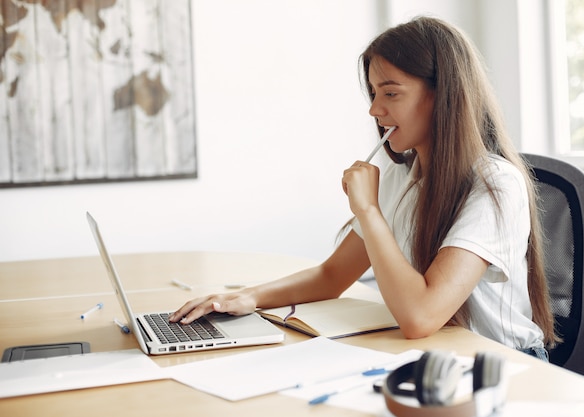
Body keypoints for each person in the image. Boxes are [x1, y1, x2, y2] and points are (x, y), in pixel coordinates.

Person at [170, 16, 558, 359]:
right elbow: (333, 275)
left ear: (443, 95)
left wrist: (368, 211)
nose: (375, 109)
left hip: (502, 365)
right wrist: (246, 297)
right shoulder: (400, 176)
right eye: (373, 93)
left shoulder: (495, 186)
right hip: (437, 356)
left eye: (390, 93)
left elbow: (420, 316)